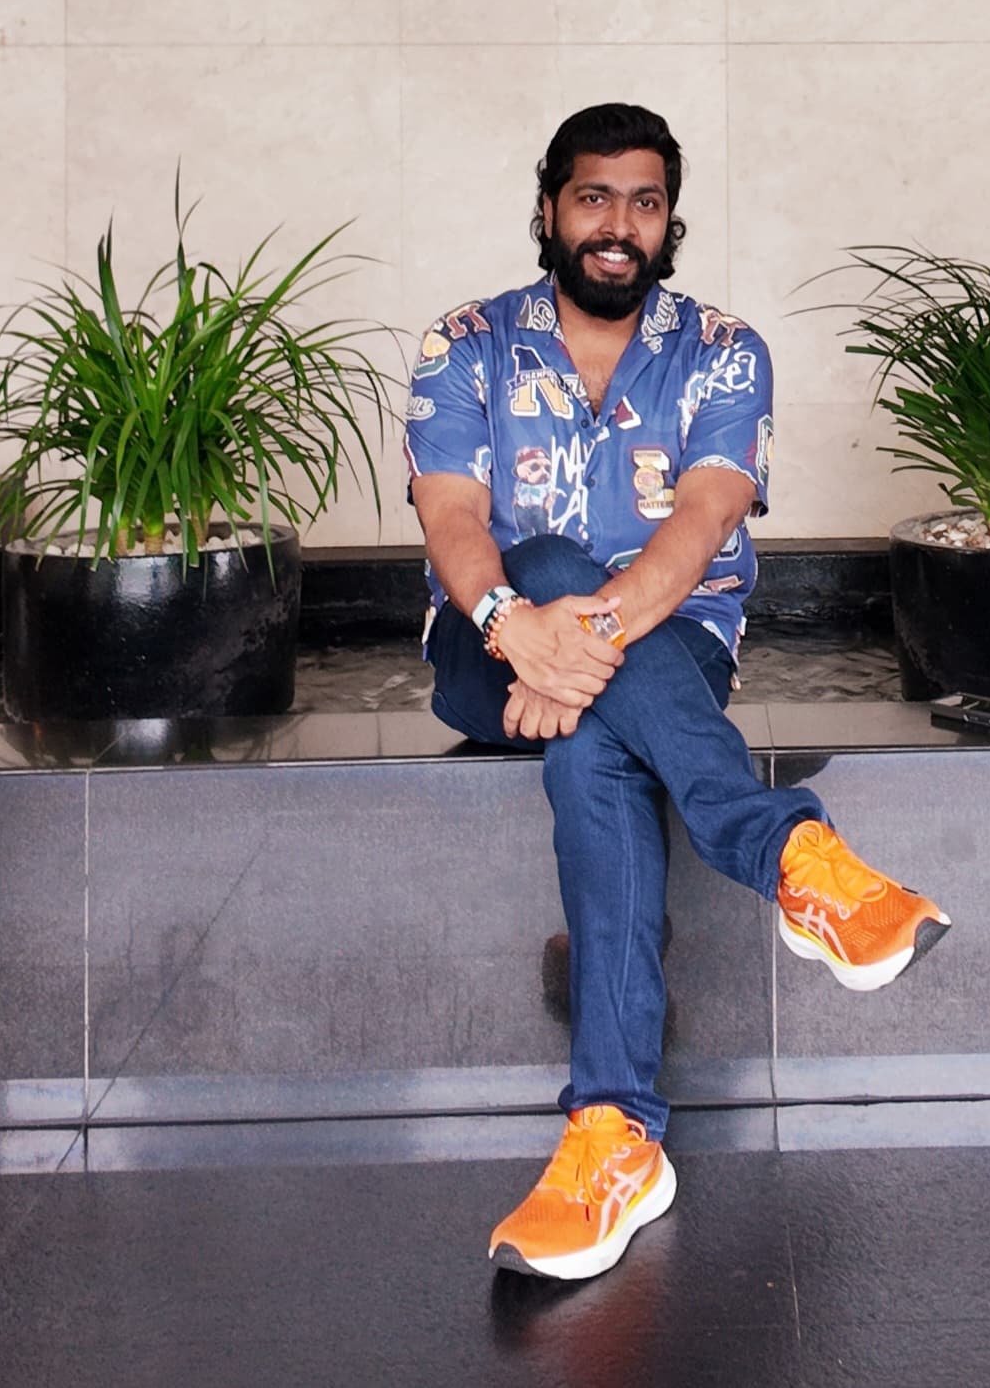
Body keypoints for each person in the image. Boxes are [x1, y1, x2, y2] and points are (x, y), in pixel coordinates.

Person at [407, 103, 950, 1282]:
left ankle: (615, 1139)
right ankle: (794, 859)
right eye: (594, 198)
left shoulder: (724, 350)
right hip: (486, 649)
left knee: (593, 751)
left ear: (670, 221)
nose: (619, 225)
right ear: (549, 208)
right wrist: (518, 628)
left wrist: (576, 651)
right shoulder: (466, 344)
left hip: (667, 643)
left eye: (645, 203)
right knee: (541, 557)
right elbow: (452, 517)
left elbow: (702, 521)